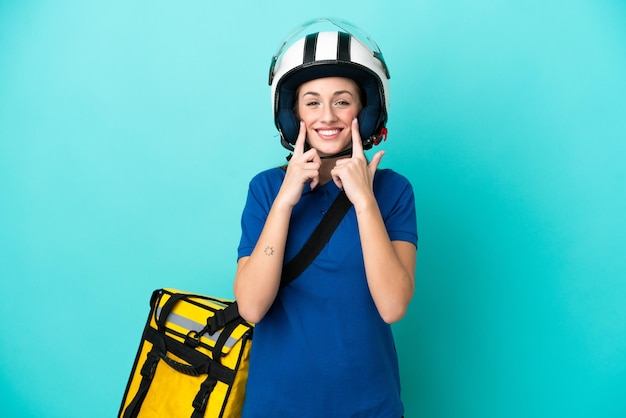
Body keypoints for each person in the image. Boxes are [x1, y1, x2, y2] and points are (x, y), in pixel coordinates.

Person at [233, 18, 417, 418]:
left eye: (342, 100)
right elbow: (251, 306)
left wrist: (364, 202)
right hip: (276, 407)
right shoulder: (265, 189)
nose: (327, 115)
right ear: (293, 113)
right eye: (312, 101)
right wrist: (284, 201)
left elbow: (392, 306)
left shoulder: (393, 190)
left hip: (370, 407)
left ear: (364, 111)